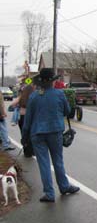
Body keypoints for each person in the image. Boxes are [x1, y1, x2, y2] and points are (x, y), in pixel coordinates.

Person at [22, 68, 80, 202]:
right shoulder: (59, 94)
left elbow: (28, 119)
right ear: (53, 82)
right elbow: (67, 111)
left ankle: (49, 193)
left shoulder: (34, 96)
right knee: (58, 161)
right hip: (55, 132)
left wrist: (24, 137)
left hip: (37, 133)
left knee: (44, 164)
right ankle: (64, 186)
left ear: (41, 82)